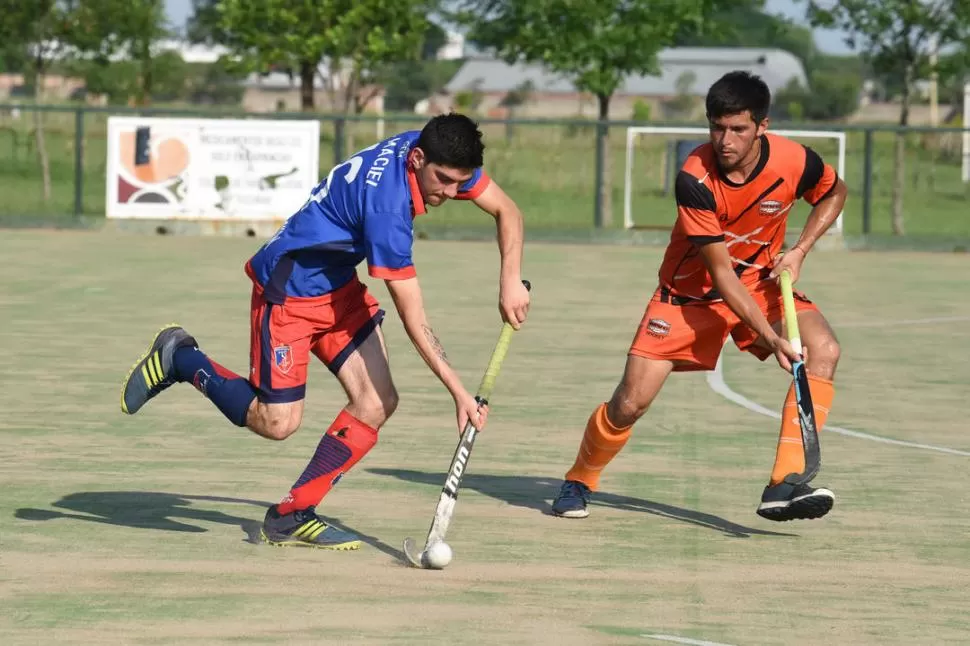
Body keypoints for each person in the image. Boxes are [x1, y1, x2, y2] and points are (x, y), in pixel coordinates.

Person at [120, 113, 530, 549]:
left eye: (458, 183)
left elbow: (508, 210)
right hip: (291, 291)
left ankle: (291, 514)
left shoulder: (436, 147)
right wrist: (460, 394)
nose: (450, 193)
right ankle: (181, 357)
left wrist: (510, 279)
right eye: (444, 181)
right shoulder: (387, 208)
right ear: (416, 160)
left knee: (376, 402)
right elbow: (415, 318)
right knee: (276, 423)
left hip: (337, 288)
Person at [550, 71, 847, 523]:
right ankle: (579, 479)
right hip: (687, 297)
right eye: (717, 127)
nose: (725, 140)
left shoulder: (795, 160)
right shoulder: (695, 178)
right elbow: (722, 274)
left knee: (824, 348)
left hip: (762, 286)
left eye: (738, 129)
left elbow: (834, 192)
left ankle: (783, 484)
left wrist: (800, 249)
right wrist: (769, 337)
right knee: (630, 403)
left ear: (762, 127)